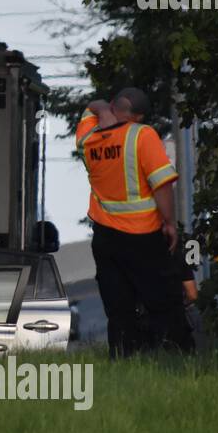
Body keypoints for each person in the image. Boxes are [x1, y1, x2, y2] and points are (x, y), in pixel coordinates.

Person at [75, 87, 186, 358]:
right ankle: (177, 356)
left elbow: (92, 105)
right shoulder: (142, 135)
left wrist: (102, 110)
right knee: (164, 301)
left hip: (105, 238)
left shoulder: (88, 138)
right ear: (138, 116)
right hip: (143, 235)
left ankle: (124, 356)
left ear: (113, 106)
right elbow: (161, 185)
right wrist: (170, 223)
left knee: (118, 306)